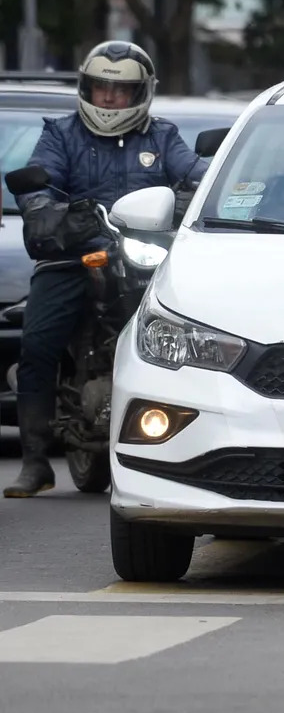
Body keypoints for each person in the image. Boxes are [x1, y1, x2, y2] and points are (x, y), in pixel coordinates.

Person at [5, 41, 207, 498]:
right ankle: (35, 462)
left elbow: (196, 173)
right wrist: (48, 211)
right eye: (101, 88)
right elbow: (38, 183)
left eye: (121, 90)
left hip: (144, 254)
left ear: (142, 93)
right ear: (86, 88)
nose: (110, 99)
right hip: (74, 255)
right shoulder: (59, 134)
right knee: (38, 344)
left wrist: (204, 190)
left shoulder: (162, 137)